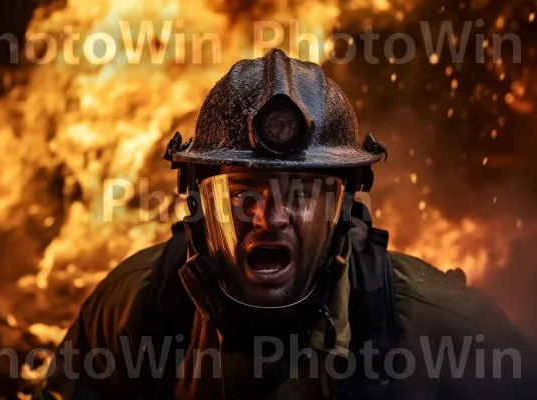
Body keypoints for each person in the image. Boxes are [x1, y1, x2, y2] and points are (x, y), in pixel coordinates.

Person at [35, 49, 537, 400]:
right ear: (199, 208)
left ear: (342, 209)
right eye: (242, 194)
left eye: (300, 194)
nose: (270, 218)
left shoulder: (450, 331)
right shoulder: (135, 309)